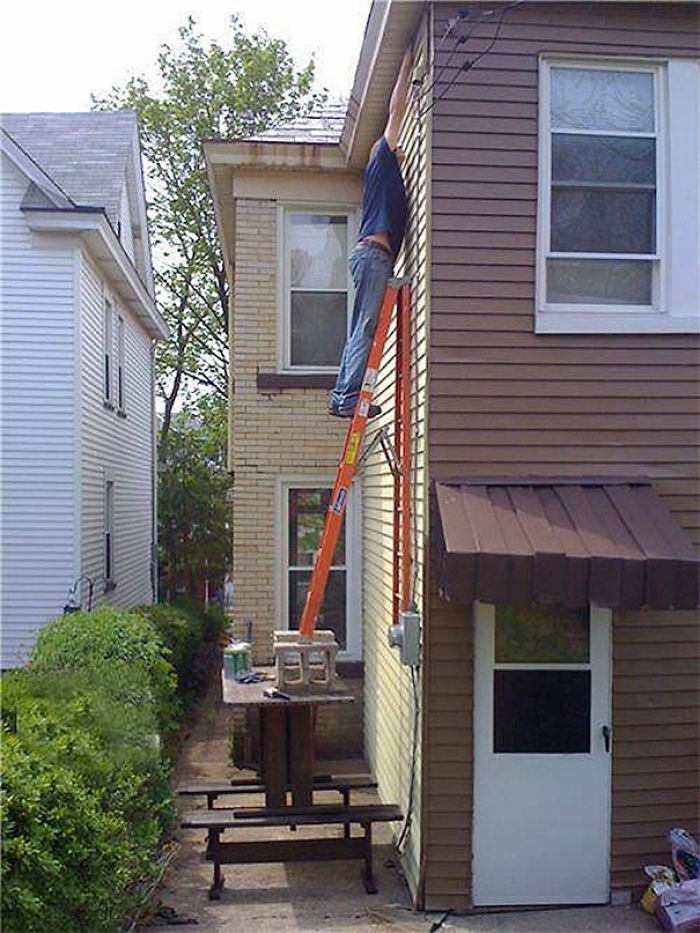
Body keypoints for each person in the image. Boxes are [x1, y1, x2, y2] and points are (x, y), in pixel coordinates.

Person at [329, 47, 413, 420]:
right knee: (365, 328)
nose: (400, 150)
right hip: (374, 256)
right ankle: (348, 396)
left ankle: (341, 395)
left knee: (359, 328)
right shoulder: (381, 155)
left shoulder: (385, 175)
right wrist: (406, 64)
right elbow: (396, 112)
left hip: (370, 256)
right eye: (397, 149)